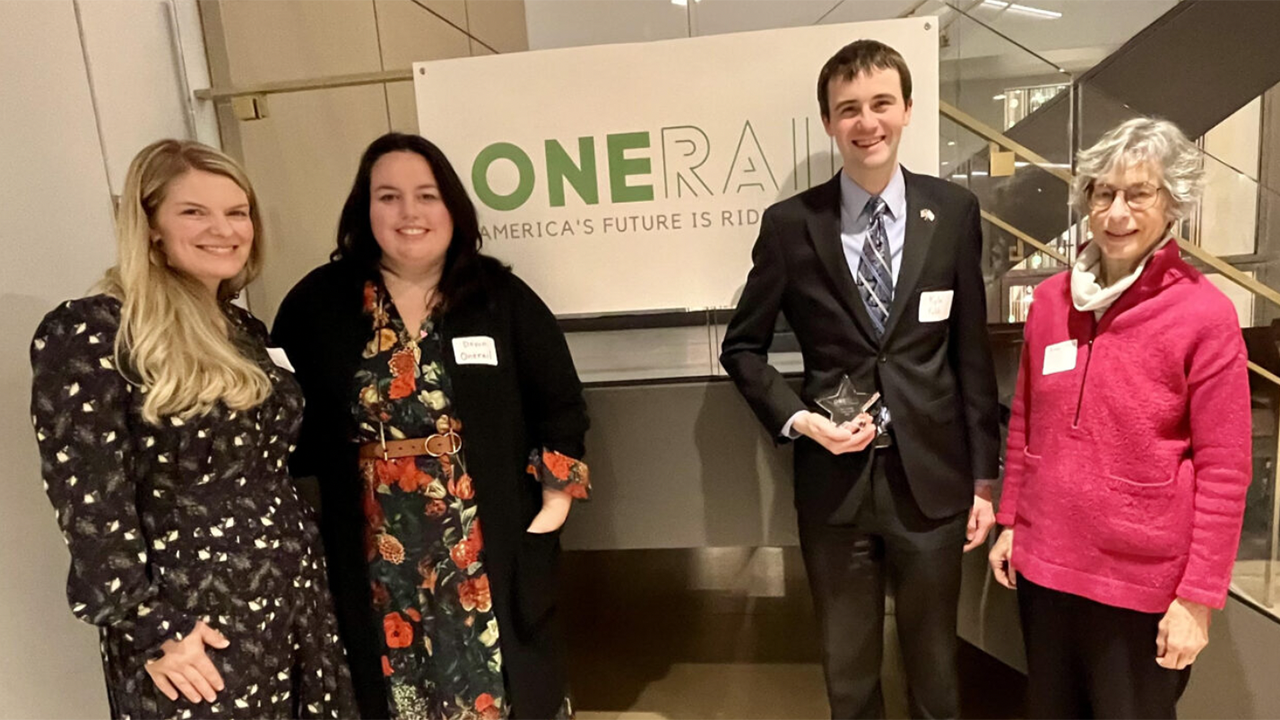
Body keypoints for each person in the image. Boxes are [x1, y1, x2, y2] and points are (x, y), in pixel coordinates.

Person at [720, 39, 1000, 719]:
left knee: (936, 666)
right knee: (847, 669)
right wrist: (801, 419)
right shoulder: (790, 227)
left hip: (933, 483)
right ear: (828, 123)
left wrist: (987, 481)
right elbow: (744, 348)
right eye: (849, 109)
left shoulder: (954, 212)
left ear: (906, 110)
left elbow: (970, 355)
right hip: (835, 487)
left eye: (880, 103)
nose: (866, 122)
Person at [29, 139, 356, 718]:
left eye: (237, 212)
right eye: (194, 212)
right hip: (195, 625)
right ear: (150, 224)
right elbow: (90, 505)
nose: (223, 229)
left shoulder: (242, 329)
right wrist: (153, 628)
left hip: (295, 602)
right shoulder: (94, 332)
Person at [271, 132, 590, 720]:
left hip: (482, 540)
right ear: (364, 210)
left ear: (454, 208)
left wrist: (553, 503)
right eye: (388, 196)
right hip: (368, 545)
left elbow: (561, 404)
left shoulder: (500, 298)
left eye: (427, 195)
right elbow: (279, 423)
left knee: (496, 689)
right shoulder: (317, 304)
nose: (409, 212)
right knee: (389, 694)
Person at [988, 117, 1251, 719]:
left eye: (1139, 194)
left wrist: (1198, 599)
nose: (1116, 213)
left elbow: (1225, 469)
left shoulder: (1204, 315)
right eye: (1103, 192)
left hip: (1140, 588)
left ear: (1172, 204)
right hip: (1047, 569)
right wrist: (1012, 521)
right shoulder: (1052, 300)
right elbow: (1028, 419)